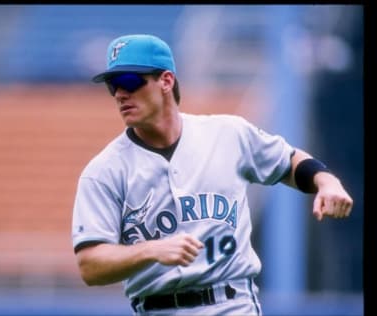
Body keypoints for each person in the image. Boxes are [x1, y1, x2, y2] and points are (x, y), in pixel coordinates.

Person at [71, 34, 353, 315]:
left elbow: (288, 161)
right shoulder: (104, 171)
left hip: (232, 304)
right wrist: (150, 250)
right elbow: (90, 265)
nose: (120, 93)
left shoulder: (227, 134)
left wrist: (326, 181)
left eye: (131, 81)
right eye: (113, 85)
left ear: (166, 81)